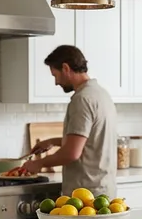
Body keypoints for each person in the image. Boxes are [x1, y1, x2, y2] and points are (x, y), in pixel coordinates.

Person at [23, 45, 117, 197]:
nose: (56, 82)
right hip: (103, 189)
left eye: (55, 75)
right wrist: (53, 141)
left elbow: (71, 153)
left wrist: (38, 164)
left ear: (66, 68)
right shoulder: (101, 94)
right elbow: (90, 140)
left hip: (85, 194)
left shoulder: (82, 99)